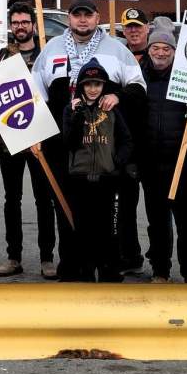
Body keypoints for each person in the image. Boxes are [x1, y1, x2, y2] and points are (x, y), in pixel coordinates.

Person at [31, 0, 146, 281]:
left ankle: (107, 265)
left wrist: (117, 95)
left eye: (88, 15)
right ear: (69, 18)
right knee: (68, 208)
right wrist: (35, 136)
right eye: (77, 15)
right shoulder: (51, 49)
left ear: (97, 18)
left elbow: (139, 87)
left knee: (104, 213)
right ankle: (72, 264)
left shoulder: (117, 50)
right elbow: (36, 96)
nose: (83, 20)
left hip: (103, 149)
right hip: (66, 147)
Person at [0, 2, 57, 280]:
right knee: (11, 199)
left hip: (41, 139)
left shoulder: (46, 55)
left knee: (44, 199)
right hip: (11, 139)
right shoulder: (0, 57)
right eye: (15, 22)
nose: (20, 26)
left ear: (34, 25)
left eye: (25, 22)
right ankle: (13, 256)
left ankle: (47, 257)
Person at [138, 28, 187, 284]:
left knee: (185, 219)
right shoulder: (140, 78)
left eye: (167, 48)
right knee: (157, 221)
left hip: (182, 160)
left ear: (175, 52)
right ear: (149, 49)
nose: (161, 53)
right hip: (151, 161)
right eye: (156, 47)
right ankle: (160, 271)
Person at [62, 59, 134, 282]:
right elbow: (68, 142)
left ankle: (109, 270)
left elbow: (126, 140)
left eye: (98, 84)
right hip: (79, 179)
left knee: (108, 230)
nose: (93, 89)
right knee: (82, 229)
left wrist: (116, 163)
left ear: (104, 86)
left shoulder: (112, 109)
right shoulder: (71, 109)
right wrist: (76, 117)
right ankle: (83, 271)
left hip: (107, 179)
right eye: (88, 84)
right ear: (81, 86)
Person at [115, 6, 150, 275]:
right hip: (125, 145)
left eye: (138, 26)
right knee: (124, 206)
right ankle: (129, 255)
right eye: (129, 27)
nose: (134, 31)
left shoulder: (160, 57)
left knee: (158, 208)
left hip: (153, 143)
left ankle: (162, 262)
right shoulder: (119, 58)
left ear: (146, 28)